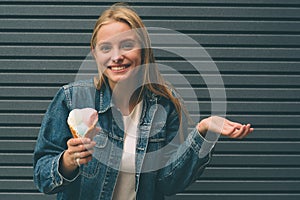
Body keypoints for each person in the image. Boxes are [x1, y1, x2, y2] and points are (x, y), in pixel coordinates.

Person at [33, 3, 253, 200]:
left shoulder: (165, 105)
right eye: (106, 48)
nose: (116, 56)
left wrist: (203, 132)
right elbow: (42, 176)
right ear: (95, 54)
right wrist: (68, 161)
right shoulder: (72, 99)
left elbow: (169, 182)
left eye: (127, 45)